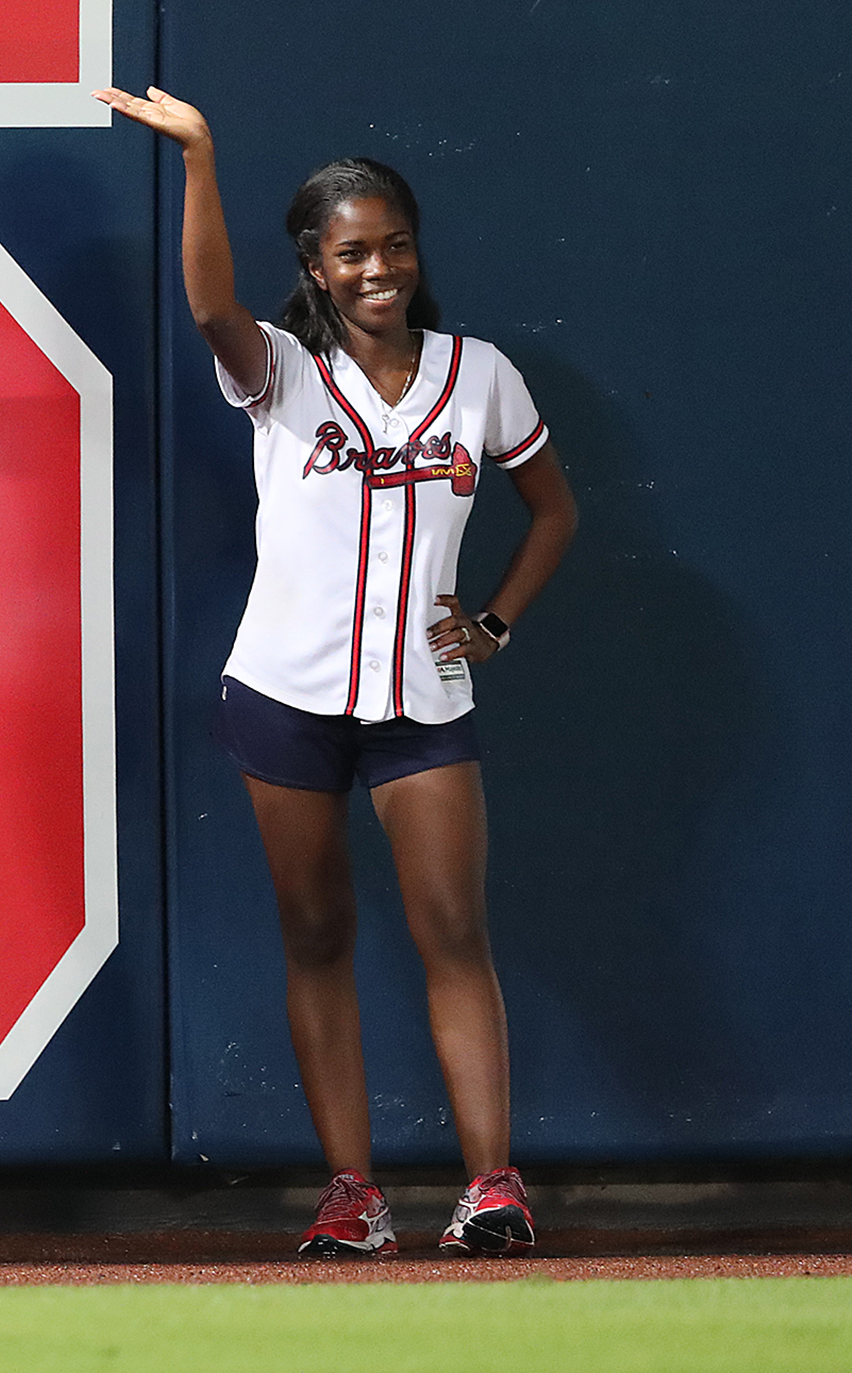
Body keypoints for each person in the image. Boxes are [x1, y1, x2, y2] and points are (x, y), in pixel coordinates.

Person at [98, 84, 578, 1258]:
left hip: (421, 702)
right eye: (350, 251)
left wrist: (498, 621)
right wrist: (201, 155)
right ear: (312, 268)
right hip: (285, 695)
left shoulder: (479, 373)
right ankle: (351, 1194)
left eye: (394, 244)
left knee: (449, 928)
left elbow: (553, 508)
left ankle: (490, 1186)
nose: (378, 268)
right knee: (314, 931)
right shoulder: (278, 372)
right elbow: (208, 299)